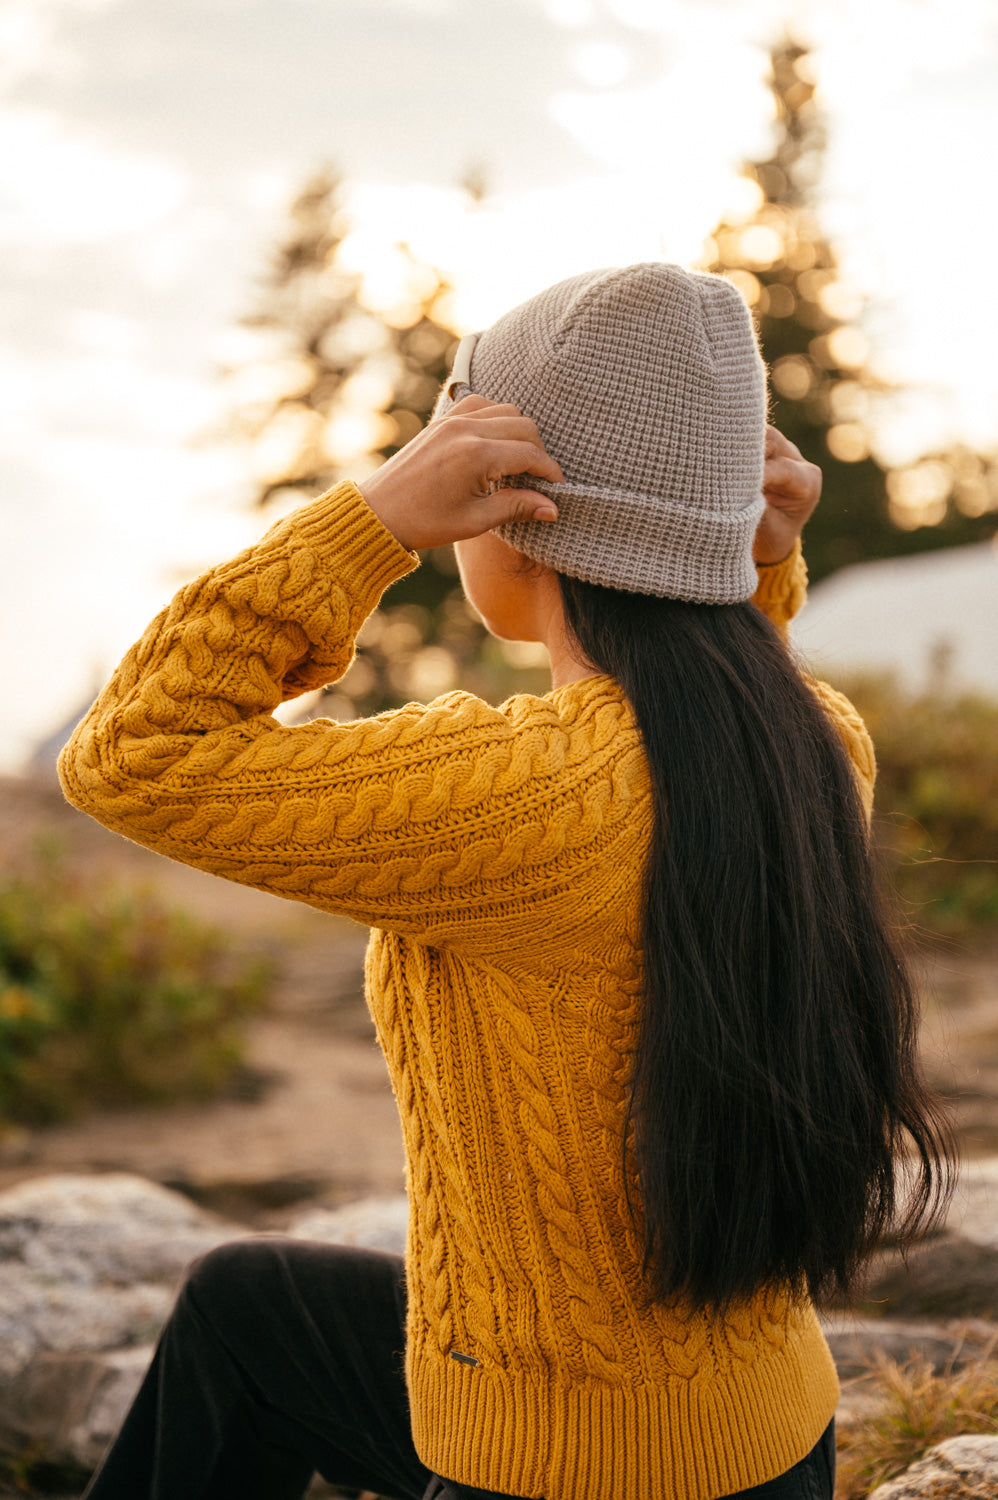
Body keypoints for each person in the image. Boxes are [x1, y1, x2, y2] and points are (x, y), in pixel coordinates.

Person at [59, 263, 954, 1500]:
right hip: (762, 1435)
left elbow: (132, 754)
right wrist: (738, 567)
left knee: (246, 1324)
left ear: (523, 515)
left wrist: (368, 522)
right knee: (247, 1309)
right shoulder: (817, 745)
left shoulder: (523, 801)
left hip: (558, 1468)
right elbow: (712, 723)